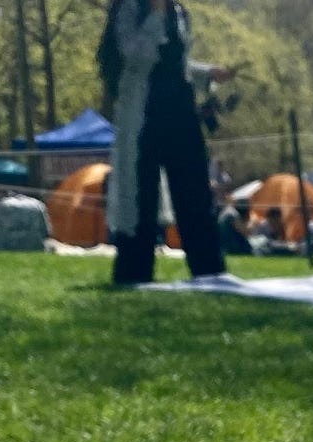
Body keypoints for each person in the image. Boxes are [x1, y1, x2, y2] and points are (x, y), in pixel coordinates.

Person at [97, 0, 234, 286]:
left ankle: (209, 270)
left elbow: (178, 63)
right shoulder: (129, 8)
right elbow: (134, 54)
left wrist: (209, 73)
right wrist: (155, 16)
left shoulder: (180, 11)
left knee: (195, 192)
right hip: (143, 115)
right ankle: (134, 273)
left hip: (181, 112)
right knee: (140, 196)